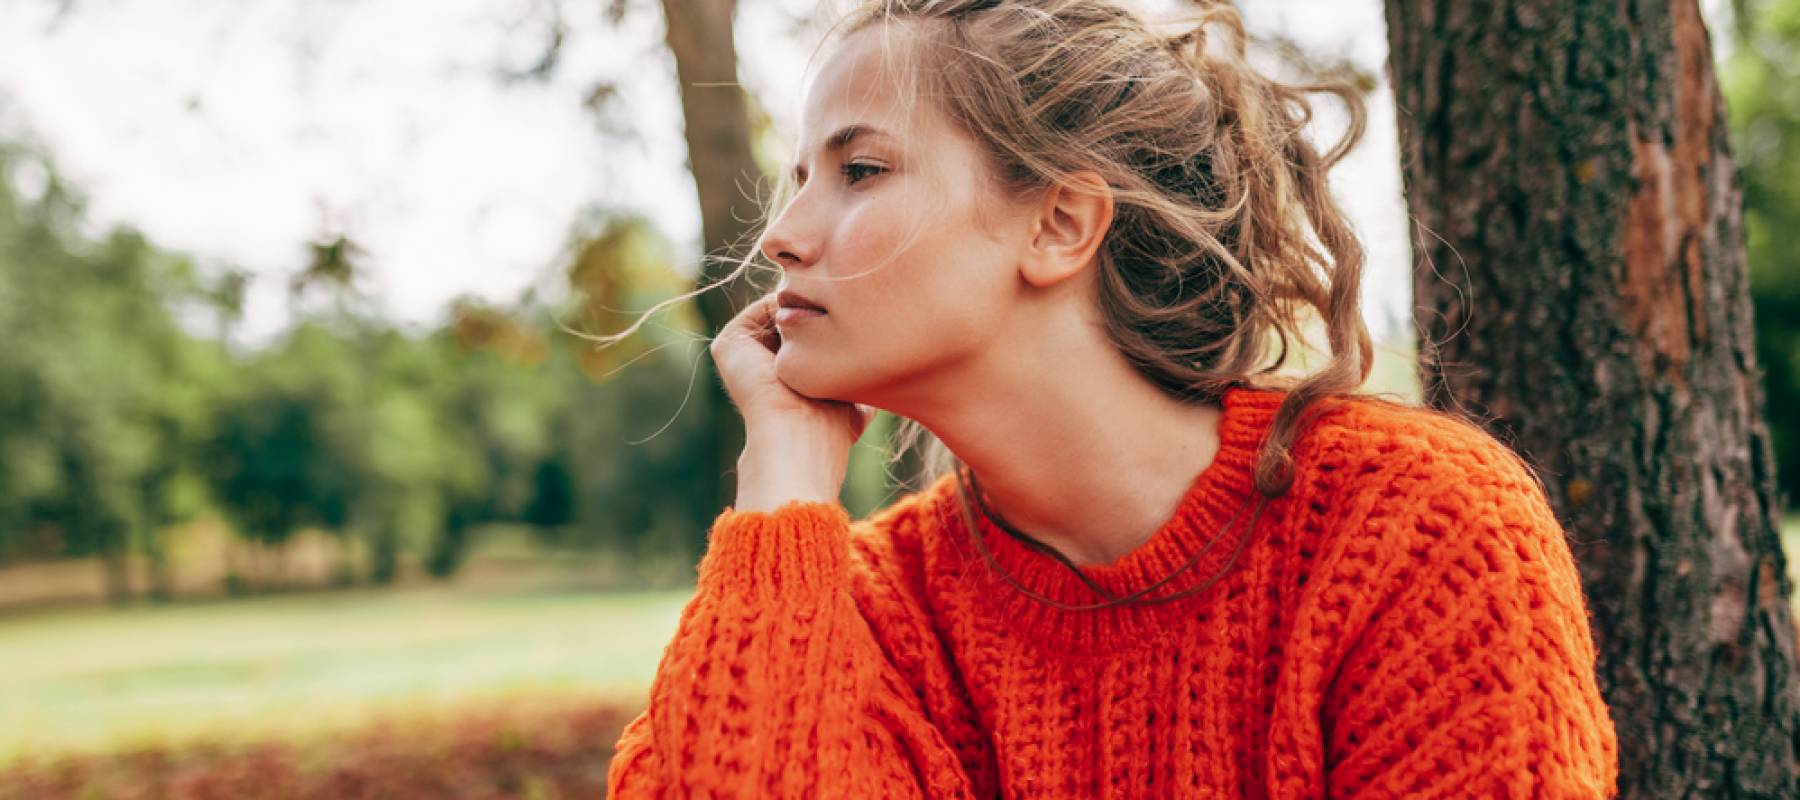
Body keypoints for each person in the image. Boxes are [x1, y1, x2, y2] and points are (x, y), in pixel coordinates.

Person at [604, 0, 1620, 796]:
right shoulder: (856, 606)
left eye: (860, 168)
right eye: (797, 175)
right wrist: (780, 474)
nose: (783, 232)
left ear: (1059, 225)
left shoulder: (1415, 528)